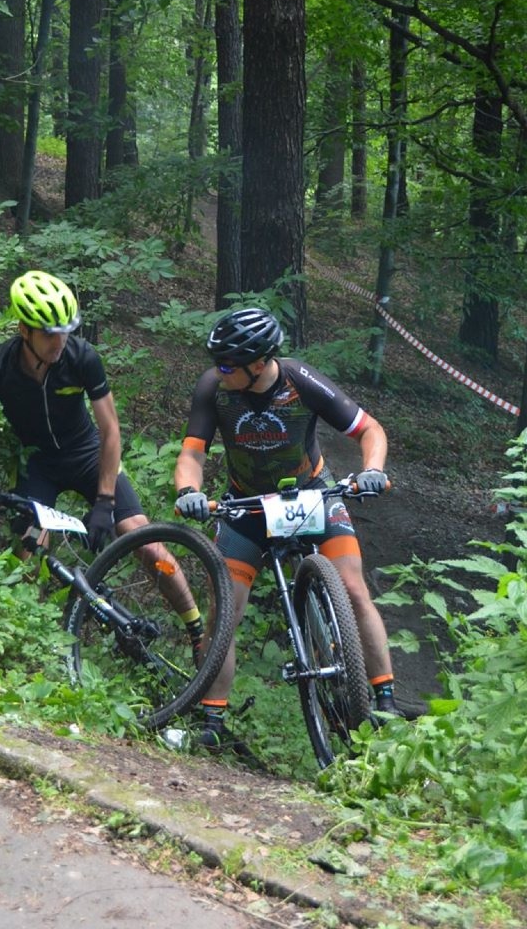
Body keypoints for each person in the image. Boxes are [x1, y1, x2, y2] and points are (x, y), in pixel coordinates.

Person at [174, 307, 402, 748]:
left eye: (227, 365)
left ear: (258, 364)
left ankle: (385, 699)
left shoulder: (300, 381)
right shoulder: (214, 389)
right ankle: (212, 723)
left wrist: (372, 469)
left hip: (311, 496)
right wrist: (188, 490)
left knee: (353, 590)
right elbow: (192, 454)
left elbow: (369, 429)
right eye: (215, 362)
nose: (218, 371)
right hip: (248, 508)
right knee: (224, 610)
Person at [0, 270, 203, 653]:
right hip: (39, 465)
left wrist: (104, 501)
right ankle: (21, 645)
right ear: (24, 329)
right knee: (29, 549)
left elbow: (111, 431)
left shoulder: (81, 357)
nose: (59, 341)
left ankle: (199, 632)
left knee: (145, 541)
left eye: (65, 330)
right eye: (49, 333)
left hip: (88, 454)